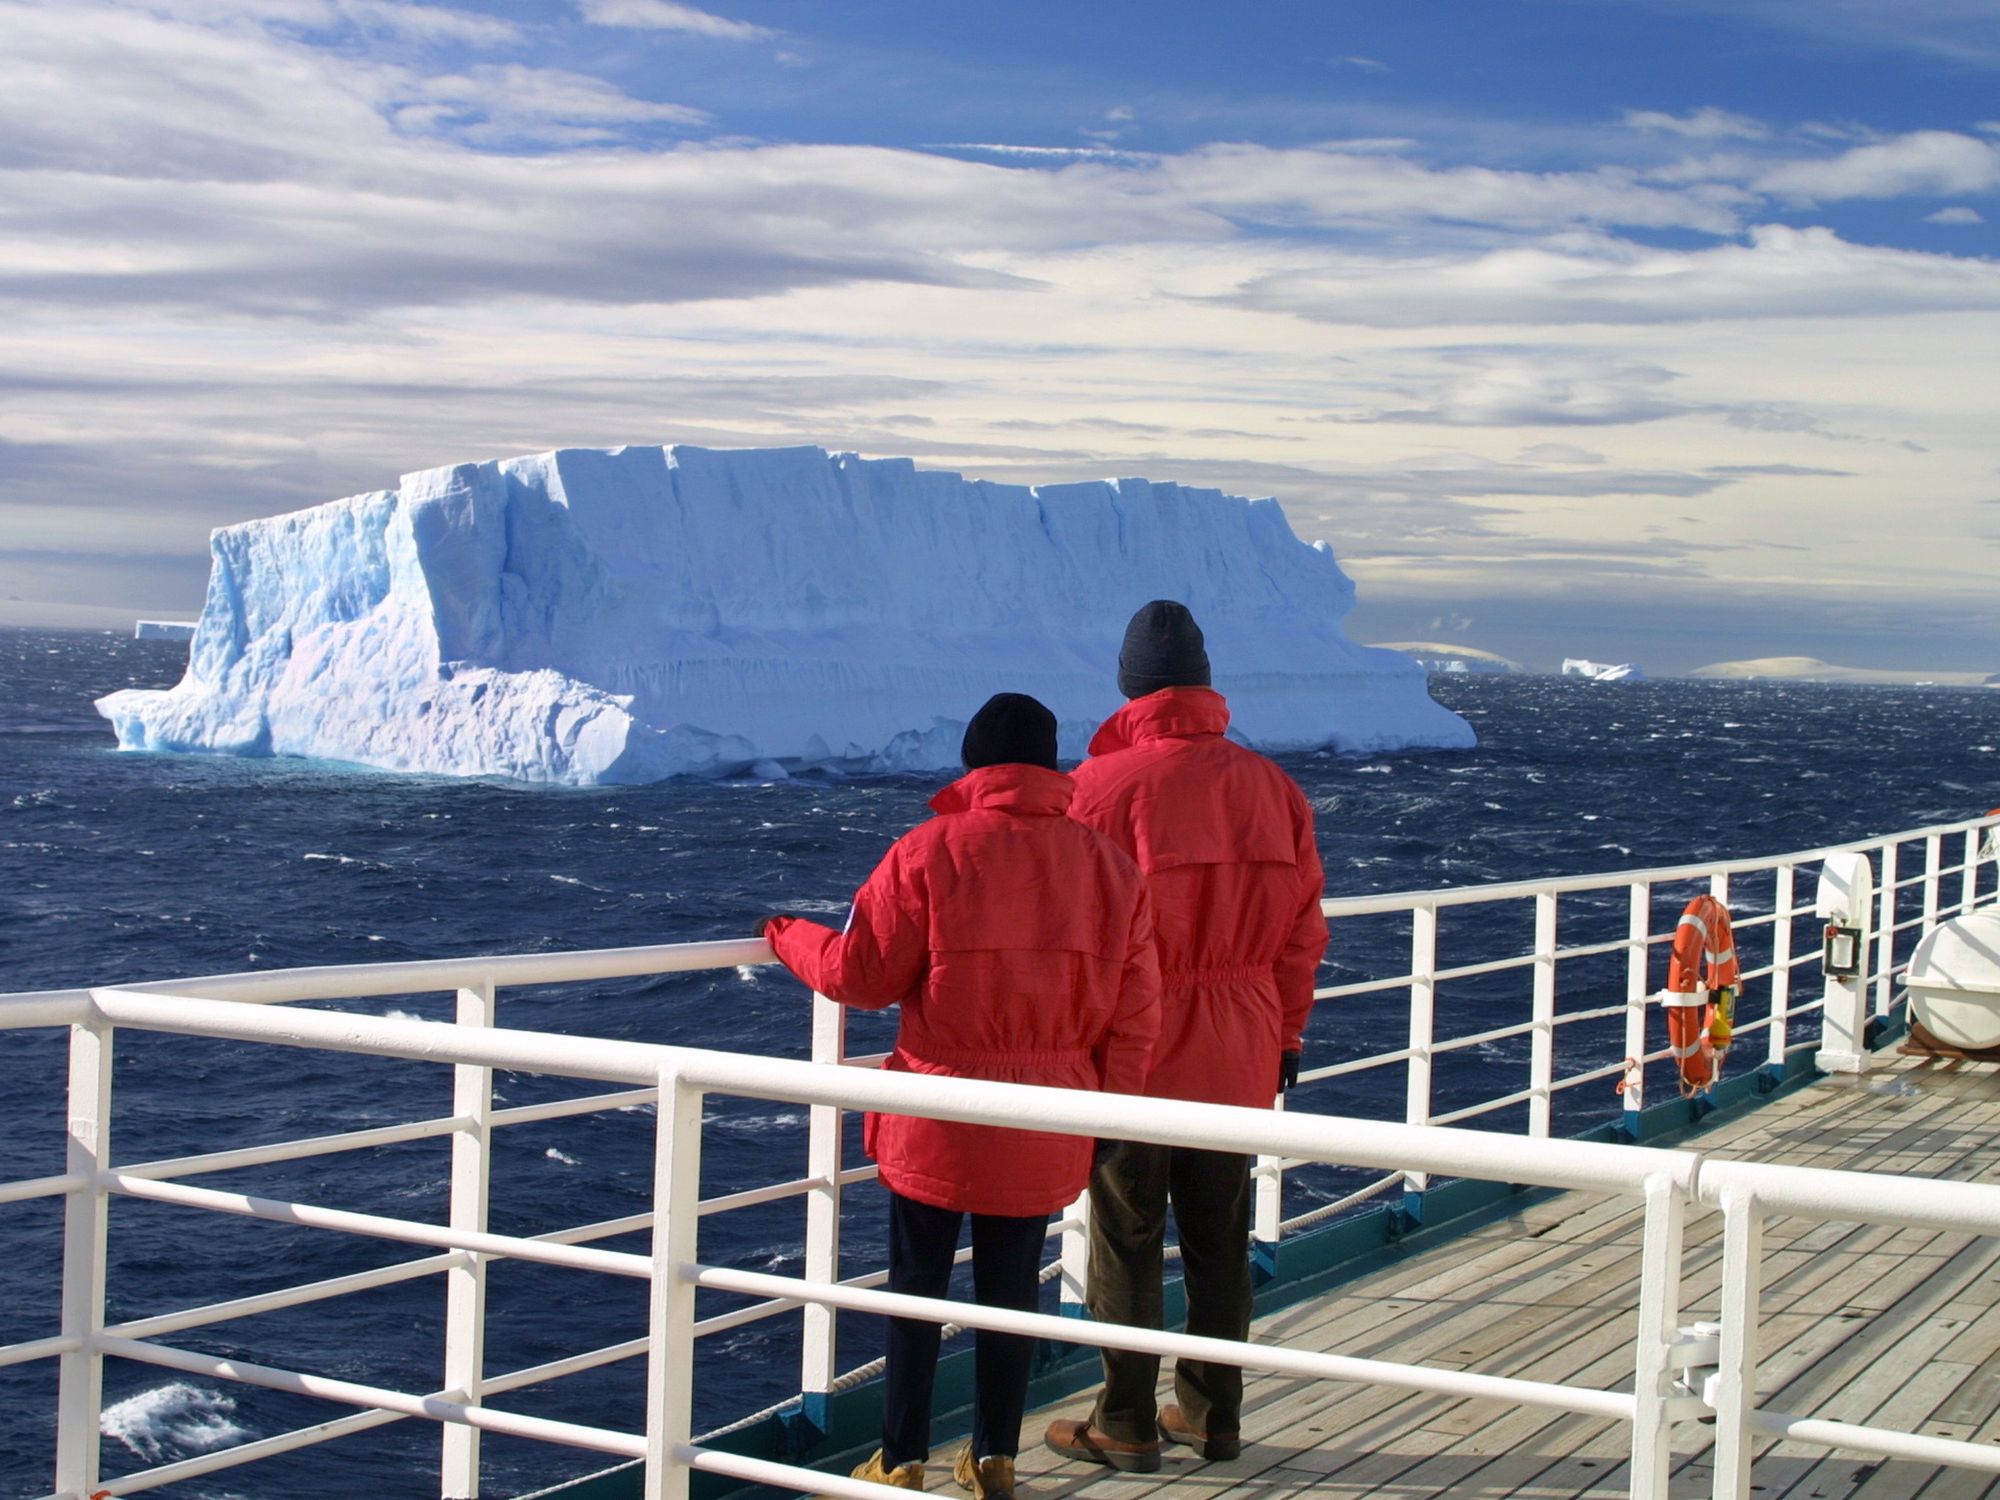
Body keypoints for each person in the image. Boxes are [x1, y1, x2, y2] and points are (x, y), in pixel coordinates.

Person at [759, 692, 1162, 1499]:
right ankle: (993, 1461)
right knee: (1010, 1294)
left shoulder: (928, 850)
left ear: (975, 764)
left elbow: (861, 976)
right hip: (1047, 1110)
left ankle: (901, 1458)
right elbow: (1137, 1010)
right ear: (1051, 766)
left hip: (939, 1113)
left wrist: (787, 934)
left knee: (916, 1289)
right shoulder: (1109, 866)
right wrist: (1108, 1116)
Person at [1045, 600, 1329, 1472]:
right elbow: (1302, 933)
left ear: (1130, 690)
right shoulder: (1273, 789)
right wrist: (1284, 1037)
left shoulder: (1096, 793)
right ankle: (1213, 1415)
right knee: (1219, 1237)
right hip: (1241, 1043)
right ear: (1206, 685)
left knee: (1127, 1236)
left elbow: (1072, 934)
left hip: (1135, 1048)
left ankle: (1126, 1422)